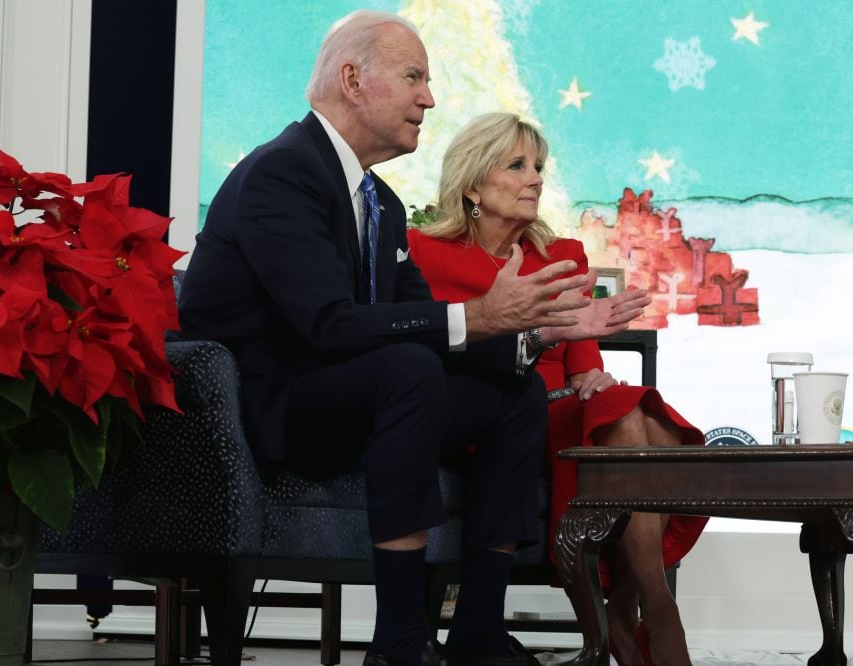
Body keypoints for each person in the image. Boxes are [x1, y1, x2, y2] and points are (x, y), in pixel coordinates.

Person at [178, 12, 648, 666]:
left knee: (513, 395)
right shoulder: (281, 175)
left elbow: (424, 325)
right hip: (271, 410)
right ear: (352, 80)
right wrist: (479, 315)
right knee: (407, 369)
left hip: (354, 397)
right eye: (413, 77)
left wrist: (539, 331)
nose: (429, 97)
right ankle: (399, 641)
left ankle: (479, 631)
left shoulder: (384, 206)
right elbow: (328, 323)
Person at [407, 112, 705, 666]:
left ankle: (628, 610)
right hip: (480, 412)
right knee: (632, 422)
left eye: (538, 166)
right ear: (473, 184)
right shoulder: (423, 253)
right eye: (517, 165)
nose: (536, 178)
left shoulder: (563, 254)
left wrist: (592, 375)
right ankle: (647, 612)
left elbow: (582, 366)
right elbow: (422, 355)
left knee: (646, 420)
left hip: (559, 409)